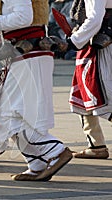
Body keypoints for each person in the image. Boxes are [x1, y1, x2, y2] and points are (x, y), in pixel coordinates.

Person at [0, 0, 73, 181]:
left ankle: (55, 150)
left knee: (11, 113)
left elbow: (24, 17)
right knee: (11, 113)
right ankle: (36, 163)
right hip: (27, 54)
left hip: (29, 55)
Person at [67, 0, 112, 159]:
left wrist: (73, 41)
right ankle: (96, 144)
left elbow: (94, 18)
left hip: (101, 42)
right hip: (92, 41)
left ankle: (96, 144)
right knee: (84, 93)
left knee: (104, 94)